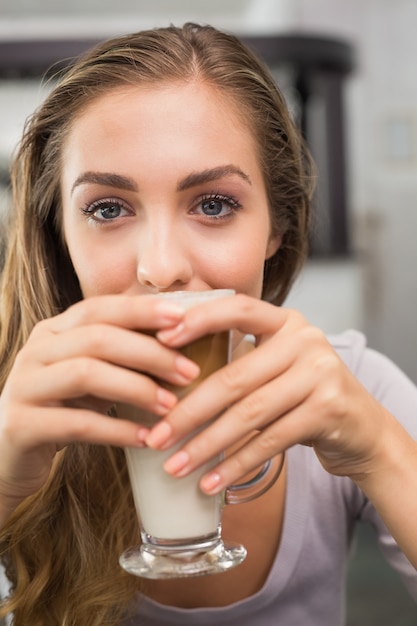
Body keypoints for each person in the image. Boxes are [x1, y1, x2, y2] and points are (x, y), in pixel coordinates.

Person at [0, 22, 416, 626]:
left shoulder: (353, 389)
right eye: (108, 208)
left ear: (277, 227)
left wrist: (381, 450)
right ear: (61, 237)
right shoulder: (11, 408)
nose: (161, 268)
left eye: (214, 204)